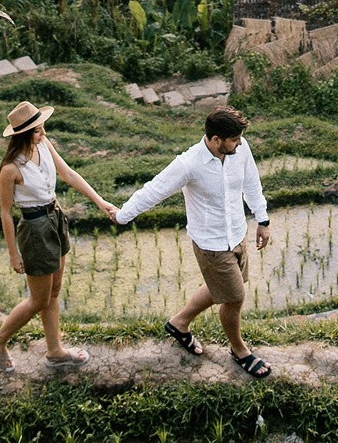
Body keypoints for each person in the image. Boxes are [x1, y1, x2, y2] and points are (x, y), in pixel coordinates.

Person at [115, 105, 274, 378]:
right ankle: (239, 350)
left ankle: (179, 323)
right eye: (233, 140)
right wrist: (122, 216)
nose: (239, 144)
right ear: (215, 140)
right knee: (235, 297)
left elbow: (251, 183)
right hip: (211, 243)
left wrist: (263, 220)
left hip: (237, 233)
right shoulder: (189, 163)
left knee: (222, 287)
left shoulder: (241, 148)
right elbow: (155, 189)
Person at [0, 100, 118, 373]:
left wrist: (100, 201)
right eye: (36, 131)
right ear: (22, 135)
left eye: (42, 128)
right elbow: (6, 212)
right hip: (34, 228)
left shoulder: (44, 145)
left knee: (54, 292)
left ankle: (55, 351)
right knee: (39, 300)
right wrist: (13, 253)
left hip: (55, 218)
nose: (42, 134)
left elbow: (67, 174)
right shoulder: (11, 169)